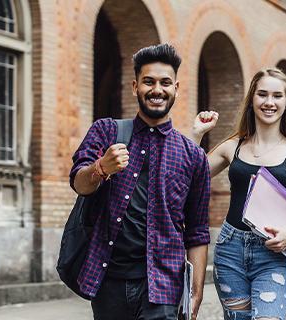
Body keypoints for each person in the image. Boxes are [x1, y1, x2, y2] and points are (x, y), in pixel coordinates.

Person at [69, 43, 209, 320]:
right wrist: (101, 167)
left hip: (164, 285)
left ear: (176, 89)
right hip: (109, 282)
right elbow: (79, 184)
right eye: (148, 81)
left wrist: (195, 293)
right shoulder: (106, 132)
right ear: (135, 87)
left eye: (165, 83)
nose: (157, 89)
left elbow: (197, 231)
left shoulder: (193, 155)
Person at [188, 67, 286, 320]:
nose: (269, 102)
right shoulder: (232, 147)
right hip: (230, 251)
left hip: (273, 253)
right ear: (252, 100)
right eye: (262, 94)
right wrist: (196, 134)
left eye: (277, 96)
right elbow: (189, 176)